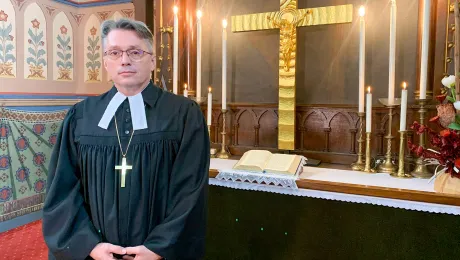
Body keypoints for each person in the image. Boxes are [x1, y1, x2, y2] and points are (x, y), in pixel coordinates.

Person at [42, 18, 210, 260]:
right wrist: (90, 246)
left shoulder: (183, 114)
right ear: (105, 62)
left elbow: (190, 192)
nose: (124, 60)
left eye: (135, 52)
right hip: (96, 254)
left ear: (152, 60)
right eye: (114, 52)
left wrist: (159, 248)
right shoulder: (81, 116)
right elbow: (62, 190)